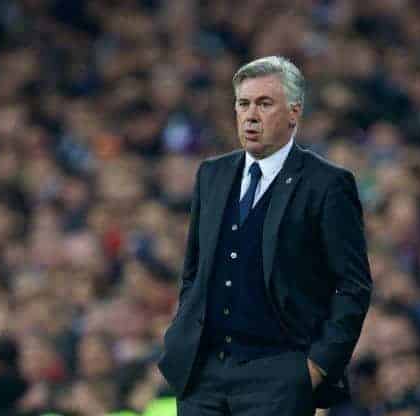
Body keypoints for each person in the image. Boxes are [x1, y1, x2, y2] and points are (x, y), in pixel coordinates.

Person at [157, 56, 373, 416]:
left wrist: (316, 367)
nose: (251, 114)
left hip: (279, 375)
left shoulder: (327, 184)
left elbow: (353, 285)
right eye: (243, 103)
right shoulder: (211, 174)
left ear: (294, 112)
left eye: (264, 103)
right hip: (203, 374)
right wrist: (183, 331)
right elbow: (194, 270)